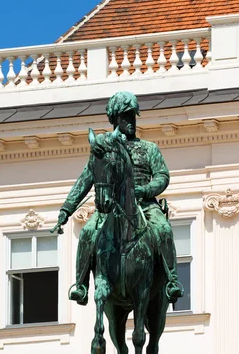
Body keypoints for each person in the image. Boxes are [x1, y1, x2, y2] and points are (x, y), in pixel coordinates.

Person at [56, 91, 183, 306]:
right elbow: (86, 178)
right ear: (115, 119)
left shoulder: (148, 148)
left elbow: (162, 175)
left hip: (144, 205)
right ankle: (81, 285)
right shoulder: (104, 147)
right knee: (87, 232)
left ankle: (172, 281)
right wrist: (66, 209)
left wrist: (145, 189)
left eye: (133, 116)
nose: (131, 121)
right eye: (126, 116)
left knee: (163, 229)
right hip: (111, 207)